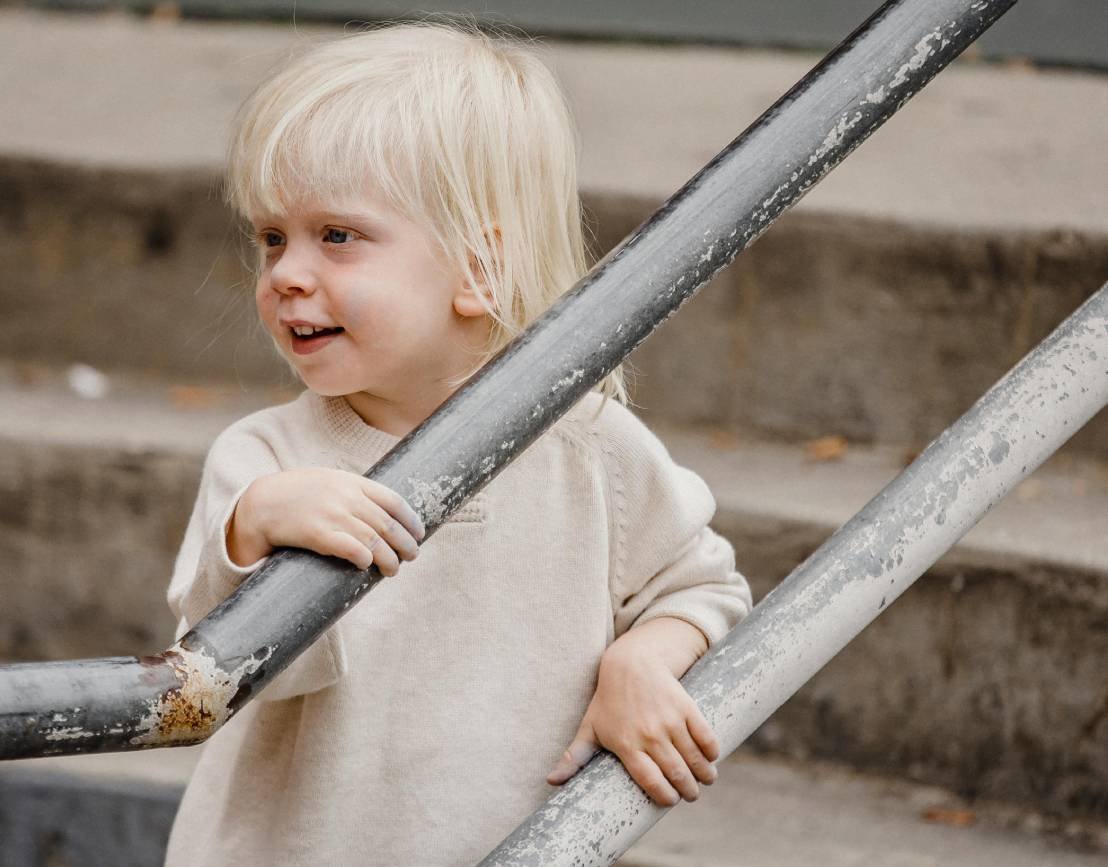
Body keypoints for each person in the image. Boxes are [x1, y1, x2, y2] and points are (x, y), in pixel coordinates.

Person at [164, 21, 752, 866]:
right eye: (272, 238)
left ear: (479, 268)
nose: (286, 273)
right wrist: (255, 530)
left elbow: (700, 584)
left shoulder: (592, 451)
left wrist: (644, 659)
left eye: (337, 235)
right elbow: (225, 679)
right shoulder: (264, 464)